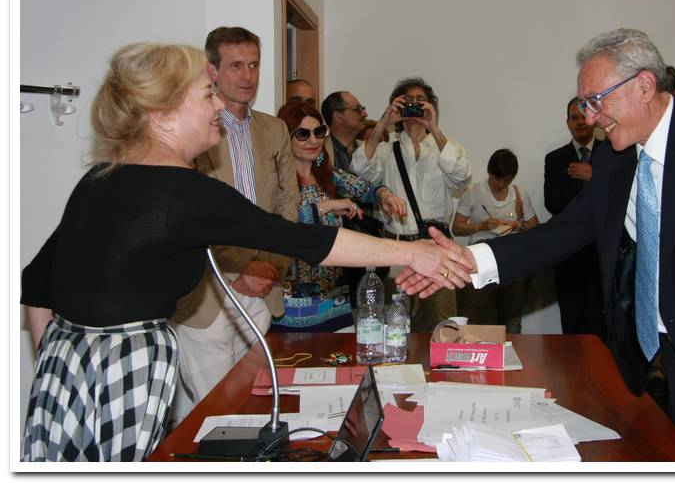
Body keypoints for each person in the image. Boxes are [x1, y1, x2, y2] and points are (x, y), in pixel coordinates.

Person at [19, 43, 470, 462]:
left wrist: (62, 364)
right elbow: (304, 240)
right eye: (206, 94)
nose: (219, 105)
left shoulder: (100, 178)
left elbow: (36, 283)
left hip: (63, 366)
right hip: (127, 370)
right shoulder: (183, 191)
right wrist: (414, 254)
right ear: (162, 115)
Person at [398, 28, 675, 461]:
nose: (590, 118)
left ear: (645, 86)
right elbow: (562, 232)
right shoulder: (617, 160)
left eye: (596, 101)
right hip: (663, 371)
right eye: (584, 104)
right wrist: (470, 259)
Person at [168, 26, 298, 425]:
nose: (247, 76)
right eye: (236, 66)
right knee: (215, 414)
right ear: (212, 71)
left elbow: (287, 204)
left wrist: (270, 267)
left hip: (261, 291)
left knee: (249, 407)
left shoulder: (274, 129)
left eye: (254, 65)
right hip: (207, 293)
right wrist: (239, 268)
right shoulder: (193, 130)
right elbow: (187, 216)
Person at [272, 101, 406, 331]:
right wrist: (324, 207)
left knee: (341, 353)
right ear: (286, 137)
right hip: (290, 301)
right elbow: (277, 224)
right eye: (303, 134)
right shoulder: (276, 179)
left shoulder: (327, 175)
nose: (313, 140)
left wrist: (385, 195)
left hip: (333, 298)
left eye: (318, 132)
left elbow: (365, 188)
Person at [352, 77, 472, 332]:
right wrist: (383, 122)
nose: (415, 105)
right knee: (394, 327)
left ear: (432, 107)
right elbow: (359, 171)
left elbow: (461, 176)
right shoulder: (385, 150)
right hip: (395, 250)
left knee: (442, 327)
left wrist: (434, 128)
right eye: (408, 101)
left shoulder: (447, 149)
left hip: (437, 251)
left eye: (421, 101)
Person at [451, 149, 538, 333]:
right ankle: (470, 347)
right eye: (496, 179)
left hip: (511, 258)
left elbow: (535, 228)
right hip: (480, 257)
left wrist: (518, 225)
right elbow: (456, 227)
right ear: (489, 172)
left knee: (512, 318)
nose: (500, 184)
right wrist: (482, 226)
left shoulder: (519, 195)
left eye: (506, 180)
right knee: (473, 313)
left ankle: (511, 349)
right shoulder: (473, 192)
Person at [543, 96, 605, 338]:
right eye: (574, 118)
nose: (580, 122)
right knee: (572, 322)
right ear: (567, 122)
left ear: (594, 120)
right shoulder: (555, 159)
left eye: (584, 117)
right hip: (569, 255)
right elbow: (553, 203)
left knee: (604, 326)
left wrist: (595, 176)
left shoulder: (613, 154)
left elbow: (620, 198)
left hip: (605, 253)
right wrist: (589, 184)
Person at [321, 91, 388, 296]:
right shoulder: (319, 153)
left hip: (372, 246)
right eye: (358, 109)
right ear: (337, 116)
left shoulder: (370, 152)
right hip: (336, 249)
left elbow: (376, 186)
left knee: (372, 308)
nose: (364, 113)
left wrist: (384, 194)